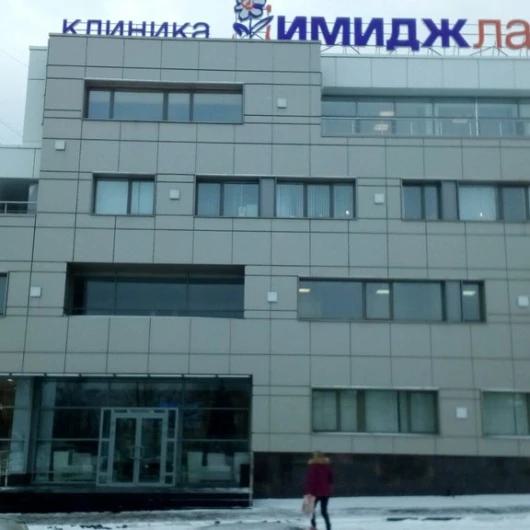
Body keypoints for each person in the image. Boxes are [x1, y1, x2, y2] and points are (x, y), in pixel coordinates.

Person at [304, 451, 333, 530]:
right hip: (325, 492)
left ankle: (313, 526)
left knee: (310, 510)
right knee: (324, 511)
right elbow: (331, 480)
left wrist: (309, 492)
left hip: (314, 492)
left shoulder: (313, 467)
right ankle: (328, 527)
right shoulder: (327, 467)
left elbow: (311, 480)